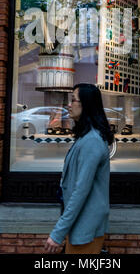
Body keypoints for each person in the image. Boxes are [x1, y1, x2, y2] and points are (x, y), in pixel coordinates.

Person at [44, 83, 114, 254]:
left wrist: (57, 233)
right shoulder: (86, 137)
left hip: (86, 226)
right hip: (81, 224)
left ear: (86, 105)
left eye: (73, 100)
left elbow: (80, 191)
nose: (68, 104)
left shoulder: (92, 141)